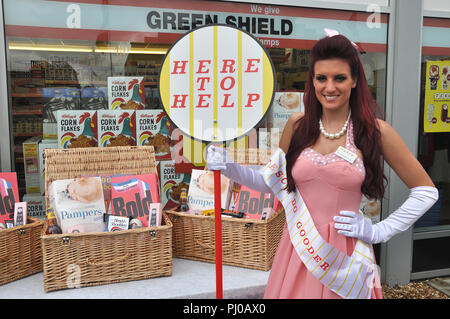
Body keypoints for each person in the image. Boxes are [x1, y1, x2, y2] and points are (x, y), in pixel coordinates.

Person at [206, 32, 439, 299]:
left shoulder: (376, 132)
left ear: (354, 81)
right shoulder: (297, 126)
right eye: (321, 78)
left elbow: (426, 191)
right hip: (299, 250)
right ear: (312, 81)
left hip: (345, 258)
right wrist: (228, 166)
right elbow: (269, 182)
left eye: (339, 78)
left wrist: (379, 231)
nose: (329, 88)